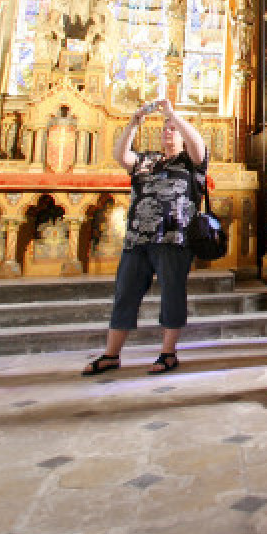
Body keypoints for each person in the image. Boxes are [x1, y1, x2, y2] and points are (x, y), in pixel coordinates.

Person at [81, 99, 208, 376]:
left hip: (173, 239)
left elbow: (197, 143)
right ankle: (111, 354)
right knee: (125, 294)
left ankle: (168, 352)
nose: (168, 132)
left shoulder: (191, 163)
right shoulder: (146, 160)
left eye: (173, 129)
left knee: (172, 294)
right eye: (165, 129)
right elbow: (120, 155)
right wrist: (134, 122)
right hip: (138, 239)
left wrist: (173, 114)